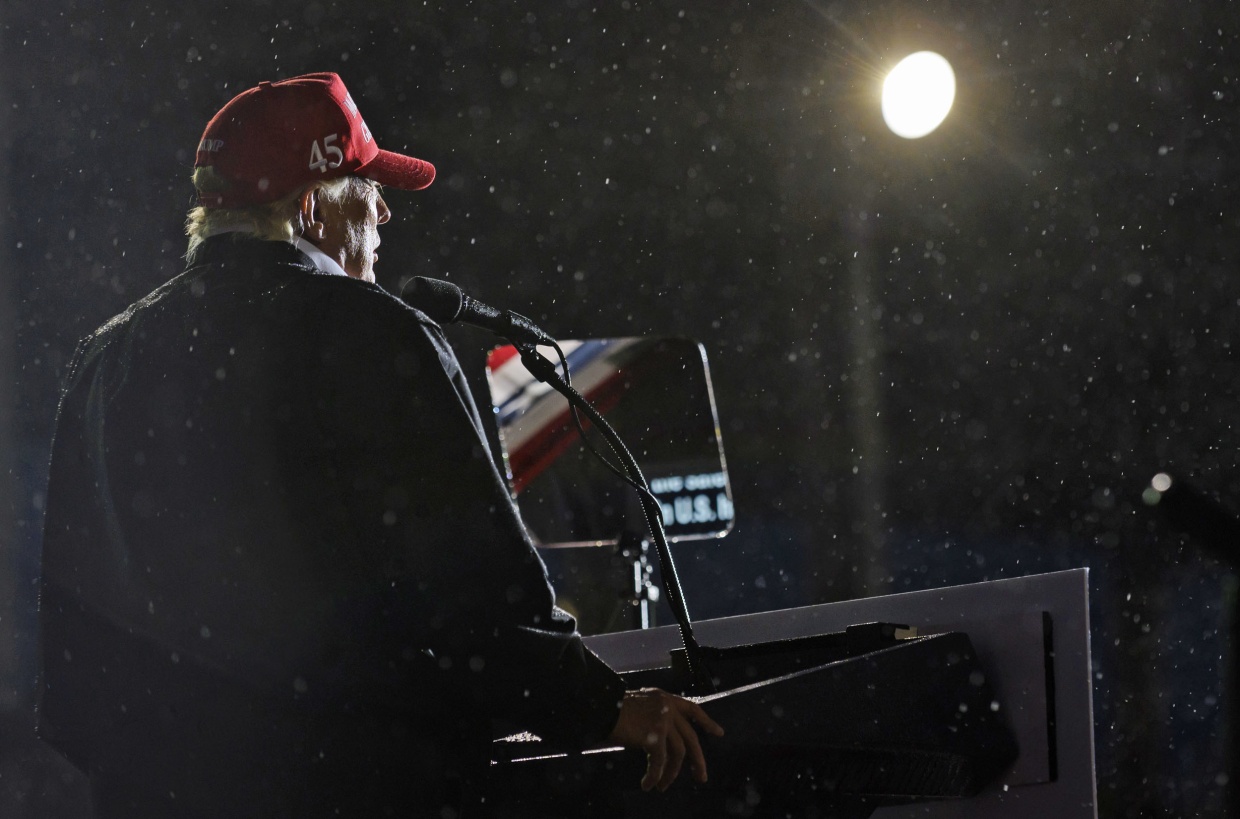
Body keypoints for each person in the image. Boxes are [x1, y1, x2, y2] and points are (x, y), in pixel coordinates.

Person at [37, 72, 721, 819]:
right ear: (311, 206)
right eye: (367, 188)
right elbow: (473, 581)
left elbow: (74, 646)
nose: (386, 212)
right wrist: (598, 704)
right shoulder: (373, 332)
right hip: (354, 782)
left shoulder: (104, 359)